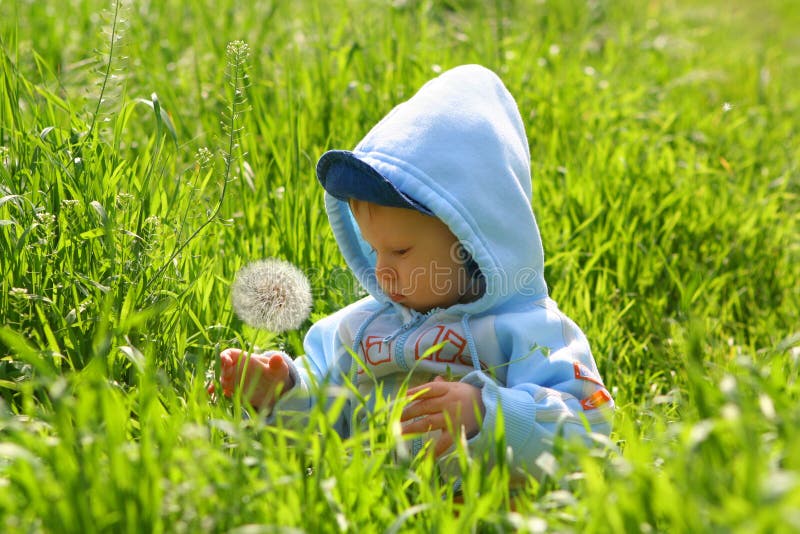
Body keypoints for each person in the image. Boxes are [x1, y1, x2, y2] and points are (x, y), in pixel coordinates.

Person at [214, 64, 614, 481]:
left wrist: (489, 414)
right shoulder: (358, 328)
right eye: (374, 250)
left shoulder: (530, 333)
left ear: (472, 242)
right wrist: (282, 393)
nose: (382, 270)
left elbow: (591, 429)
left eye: (401, 250)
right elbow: (327, 423)